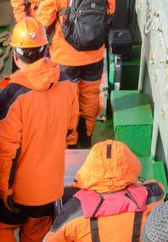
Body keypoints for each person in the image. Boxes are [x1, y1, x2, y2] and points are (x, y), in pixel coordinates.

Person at [0, 18, 78, 242]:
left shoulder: (13, 95)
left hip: (18, 188)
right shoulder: (66, 84)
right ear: (45, 49)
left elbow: (6, 150)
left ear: (15, 55)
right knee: (35, 234)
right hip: (49, 186)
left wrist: (1, 189)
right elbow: (71, 132)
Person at [36, 0, 116, 147]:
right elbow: (110, 10)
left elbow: (44, 19)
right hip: (95, 55)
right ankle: (87, 136)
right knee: (90, 97)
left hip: (65, 58)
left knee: (68, 102)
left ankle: (70, 142)